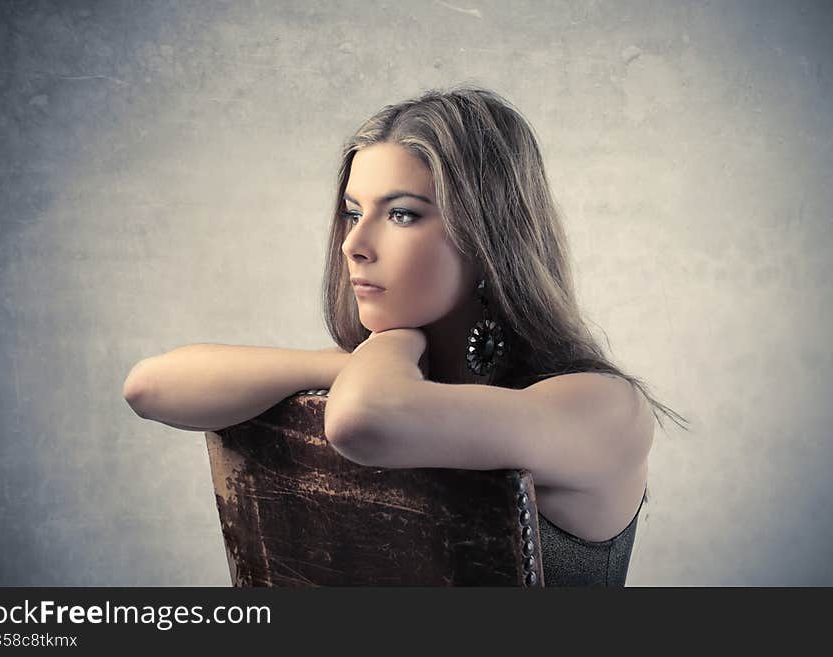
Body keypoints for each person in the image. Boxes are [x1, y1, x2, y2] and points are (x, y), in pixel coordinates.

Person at [124, 83, 689, 586]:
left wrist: (389, 344)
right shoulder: (370, 379)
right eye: (352, 213)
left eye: (401, 215)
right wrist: (353, 362)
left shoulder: (607, 408)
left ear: (489, 238)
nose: (354, 244)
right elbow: (149, 387)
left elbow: (361, 421)